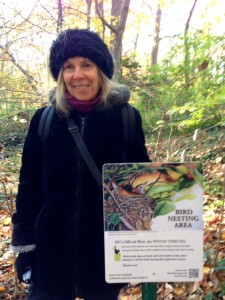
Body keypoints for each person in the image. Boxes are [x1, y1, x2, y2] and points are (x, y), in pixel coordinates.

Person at [11, 29, 150, 300]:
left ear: (100, 70)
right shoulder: (45, 120)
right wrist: (26, 247)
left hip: (105, 258)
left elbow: (141, 186)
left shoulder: (126, 119)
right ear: (60, 75)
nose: (78, 75)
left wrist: (146, 248)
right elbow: (29, 187)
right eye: (68, 67)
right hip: (51, 259)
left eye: (86, 64)